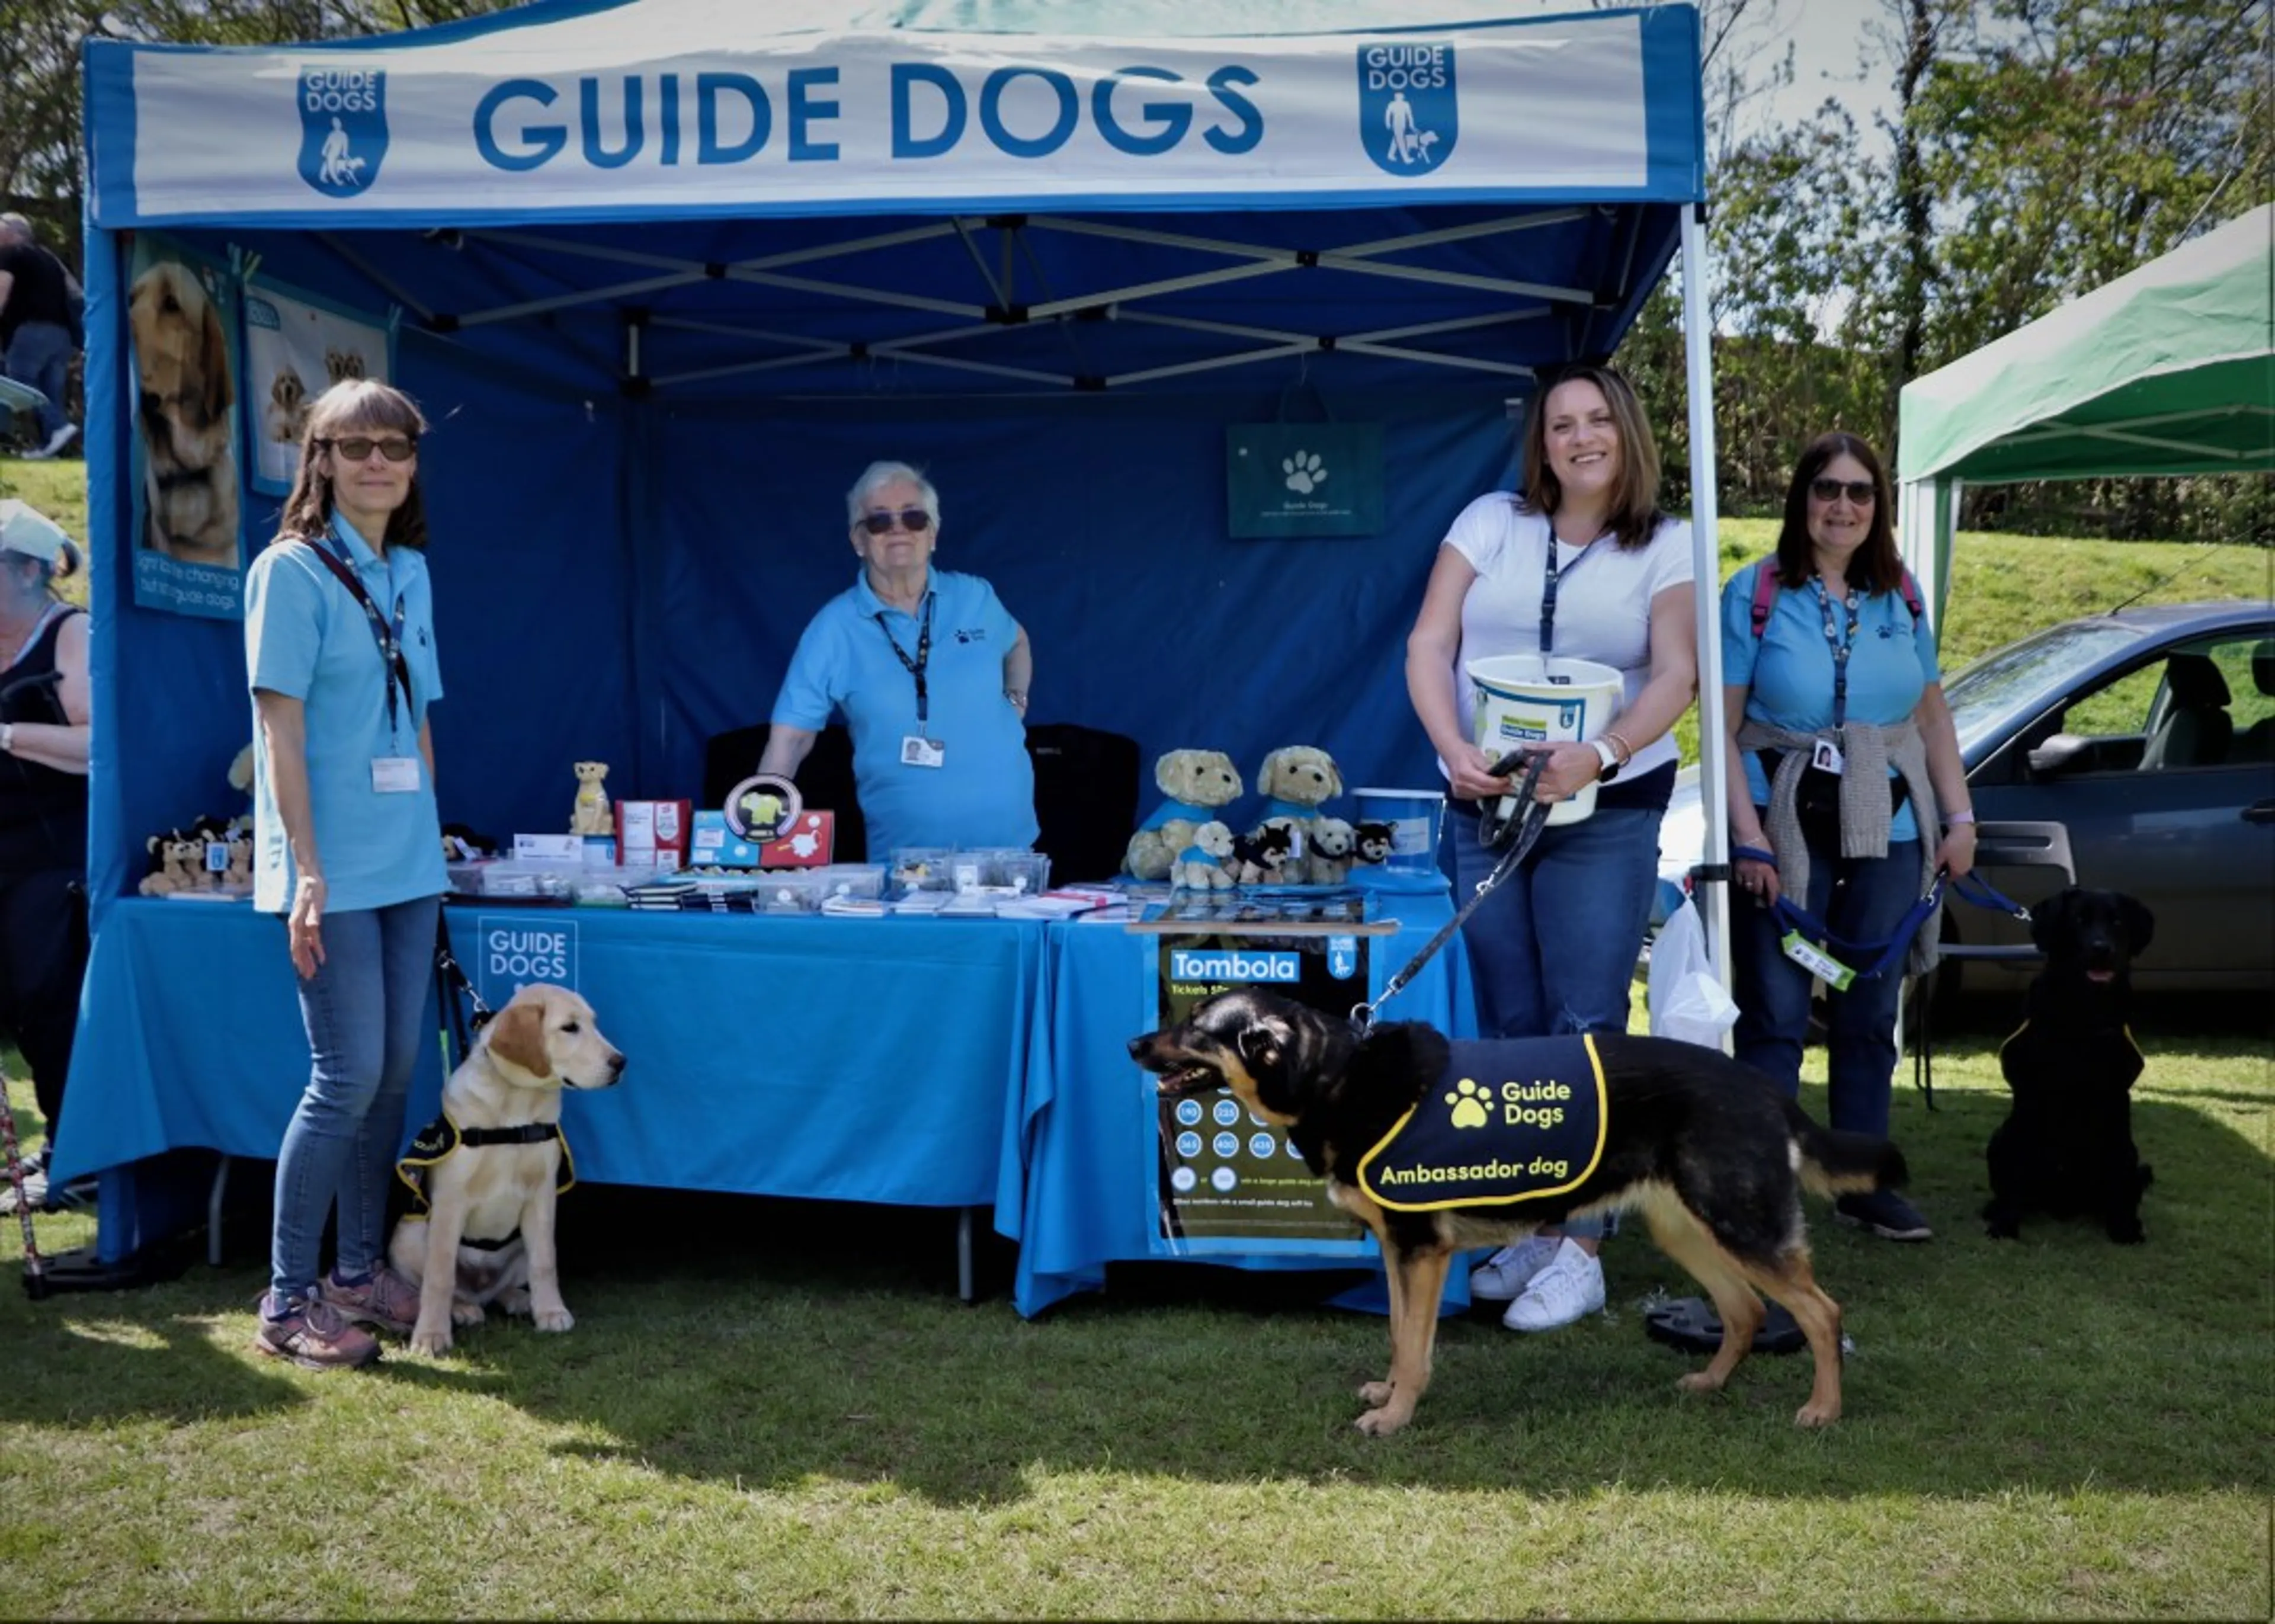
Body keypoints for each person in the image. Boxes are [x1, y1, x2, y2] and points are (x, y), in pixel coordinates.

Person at [1405, 363, 1698, 1330]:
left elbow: (1677, 674)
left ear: (1629, 433)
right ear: (1542, 442)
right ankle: (1539, 1216)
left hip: (1605, 807)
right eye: (1562, 424)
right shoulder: (1488, 521)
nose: (1580, 438)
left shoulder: (1669, 543)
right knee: (1513, 1022)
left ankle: (1584, 1246)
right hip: (1485, 804)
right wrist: (1453, 752)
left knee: (1586, 1016)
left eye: (1598, 421)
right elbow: (1428, 646)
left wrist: (1602, 756)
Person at [1719, 431, 1974, 1242]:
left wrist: (1959, 816)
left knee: (1869, 1008)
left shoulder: (1902, 593)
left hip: (1891, 821)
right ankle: (1763, 1187)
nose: (1842, 505)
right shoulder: (1754, 591)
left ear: (1879, 506)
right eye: (1826, 488)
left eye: (1860, 491)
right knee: (1777, 1014)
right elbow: (1720, 727)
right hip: (1781, 820)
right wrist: (1747, 837)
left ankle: (1864, 1181)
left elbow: (1931, 714)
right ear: (1801, 498)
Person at [243, 379, 448, 1369]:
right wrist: (308, 874)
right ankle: (288, 1298)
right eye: (355, 445)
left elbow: (418, 724)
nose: (377, 462)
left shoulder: (409, 570)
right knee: (346, 1077)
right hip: (329, 871)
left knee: (398, 1075)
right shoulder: (290, 572)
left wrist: (437, 850)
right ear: (317, 457)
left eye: (395, 447)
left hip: (408, 863)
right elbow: (279, 732)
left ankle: (360, 1274)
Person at [760, 460, 1037, 861]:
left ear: (933, 533)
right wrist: (757, 821)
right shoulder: (834, 628)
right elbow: (790, 738)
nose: (898, 528)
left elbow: (1019, 643)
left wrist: (1016, 700)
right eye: (879, 520)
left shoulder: (976, 597)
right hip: (907, 862)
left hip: (1010, 849)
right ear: (858, 539)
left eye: (913, 516)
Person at [0, 501, 93, 1215]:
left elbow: (98, 749)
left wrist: (7, 735)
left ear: (32, 571)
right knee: (21, 1010)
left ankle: (78, 1153)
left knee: (47, 999)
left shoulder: (70, 633)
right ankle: (61, 1140)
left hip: (58, 853)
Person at [0, 214, 81, 460]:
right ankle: (49, 447)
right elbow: (76, 293)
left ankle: (57, 427)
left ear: (12, 233)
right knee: (50, 391)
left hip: (30, 331)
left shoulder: (10, 255)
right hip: (61, 335)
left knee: (20, 384)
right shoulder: (49, 258)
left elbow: (2, 292)